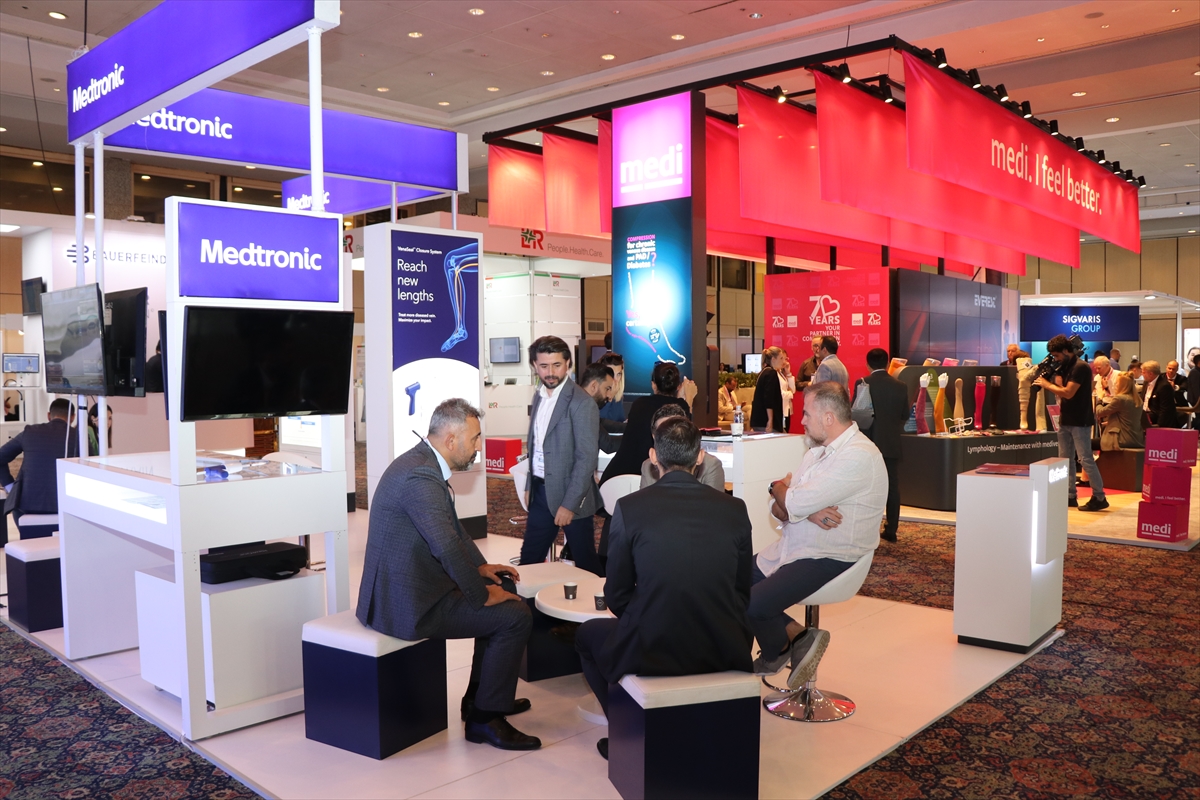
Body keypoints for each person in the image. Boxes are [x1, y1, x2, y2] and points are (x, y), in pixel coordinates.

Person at [356, 399, 539, 751]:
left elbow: (453, 532)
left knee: (502, 587)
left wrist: (482, 569)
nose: (479, 447)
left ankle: (479, 699)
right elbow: (445, 546)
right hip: (406, 605)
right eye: (475, 438)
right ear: (451, 440)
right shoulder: (420, 477)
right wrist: (481, 595)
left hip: (411, 588)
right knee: (515, 616)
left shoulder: (421, 462)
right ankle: (485, 719)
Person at [576, 416, 753, 761]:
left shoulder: (630, 508)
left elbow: (617, 594)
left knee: (586, 636)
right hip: (724, 643)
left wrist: (650, 614)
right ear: (700, 457)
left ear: (653, 456)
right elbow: (741, 591)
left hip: (652, 645)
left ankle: (626, 734)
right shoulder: (735, 509)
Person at [750, 382, 886, 688]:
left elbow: (790, 501)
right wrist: (798, 505)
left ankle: (778, 650)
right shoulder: (816, 452)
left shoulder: (859, 455)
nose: (801, 420)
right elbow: (780, 507)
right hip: (795, 546)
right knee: (727, 582)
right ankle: (799, 636)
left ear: (828, 417)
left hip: (830, 555)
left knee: (754, 604)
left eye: (806, 413)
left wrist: (781, 489)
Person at [520, 336, 603, 575]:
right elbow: (536, 447)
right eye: (544, 366)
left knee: (586, 563)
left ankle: (602, 598)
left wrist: (569, 505)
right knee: (529, 560)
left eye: (557, 365)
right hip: (540, 492)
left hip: (571, 494)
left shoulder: (581, 402)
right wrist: (530, 484)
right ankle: (523, 601)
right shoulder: (538, 396)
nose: (550, 372)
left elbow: (586, 459)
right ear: (534, 365)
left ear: (568, 363)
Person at [1034, 334, 1108, 511]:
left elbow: (1068, 392)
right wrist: (1053, 375)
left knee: (1085, 459)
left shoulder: (1080, 367)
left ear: (1066, 351)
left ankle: (1099, 497)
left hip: (1080, 420)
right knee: (1065, 460)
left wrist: (1046, 384)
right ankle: (1069, 495)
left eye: (1057, 355)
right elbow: (1060, 389)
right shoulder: (1065, 367)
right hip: (1066, 418)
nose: (1056, 359)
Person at [599, 361, 690, 483]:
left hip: (616, 478)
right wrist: (688, 399)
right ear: (678, 386)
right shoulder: (680, 408)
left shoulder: (639, 404)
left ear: (653, 385)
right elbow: (687, 438)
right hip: (653, 480)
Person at [860, 348, 910, 543]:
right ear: (888, 363)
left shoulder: (863, 383)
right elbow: (904, 415)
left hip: (868, 443)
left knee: (866, 487)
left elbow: (857, 413)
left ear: (867, 364)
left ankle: (866, 529)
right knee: (892, 487)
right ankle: (891, 529)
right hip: (891, 443)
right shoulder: (901, 386)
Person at [640, 404, 725, 490]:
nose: (671, 438)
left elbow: (713, 498)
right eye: (664, 433)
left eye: (677, 431)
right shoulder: (647, 466)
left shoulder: (710, 465)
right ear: (654, 437)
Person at [1095, 373, 1144, 449]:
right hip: (1136, 438)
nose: (1115, 385)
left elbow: (1100, 412)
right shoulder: (1137, 399)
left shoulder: (1120, 399)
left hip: (1121, 438)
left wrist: (1100, 399)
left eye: (1117, 383)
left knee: (1086, 444)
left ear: (1122, 385)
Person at [579, 363, 619, 454]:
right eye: (607, 389)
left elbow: (601, 423)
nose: (609, 395)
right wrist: (637, 436)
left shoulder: (580, 401)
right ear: (593, 386)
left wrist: (630, 426)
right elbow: (609, 445)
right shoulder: (582, 407)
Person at [750, 346, 786, 433]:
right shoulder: (771, 373)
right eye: (781, 358)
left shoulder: (763, 372)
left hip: (759, 420)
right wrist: (770, 420)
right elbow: (768, 399)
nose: (783, 361)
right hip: (765, 421)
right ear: (773, 359)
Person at [1140, 361, 1179, 429]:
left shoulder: (1164, 386)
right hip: (1145, 415)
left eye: (1143, 372)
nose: (1142, 374)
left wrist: (1159, 427)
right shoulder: (1146, 383)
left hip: (1156, 418)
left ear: (1150, 374)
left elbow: (1165, 410)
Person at [596, 352, 627, 432]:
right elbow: (600, 423)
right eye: (612, 374)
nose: (615, 380)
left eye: (618, 374)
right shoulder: (595, 395)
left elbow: (619, 420)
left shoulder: (618, 395)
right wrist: (610, 395)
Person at [779, 354, 797, 430]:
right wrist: (790, 393)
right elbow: (780, 393)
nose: (785, 362)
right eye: (782, 359)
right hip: (781, 409)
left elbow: (793, 389)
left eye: (786, 359)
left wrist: (788, 373)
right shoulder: (775, 374)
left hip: (787, 408)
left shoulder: (782, 374)